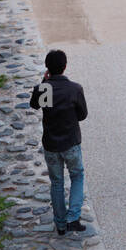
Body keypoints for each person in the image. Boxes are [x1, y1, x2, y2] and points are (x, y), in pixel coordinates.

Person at [29, 49, 89, 235]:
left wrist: (43, 83)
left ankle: (61, 225)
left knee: (57, 183)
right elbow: (82, 115)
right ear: (65, 66)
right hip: (70, 142)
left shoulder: (44, 88)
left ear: (47, 69)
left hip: (51, 144)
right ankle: (73, 217)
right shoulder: (75, 89)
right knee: (77, 176)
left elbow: (34, 105)